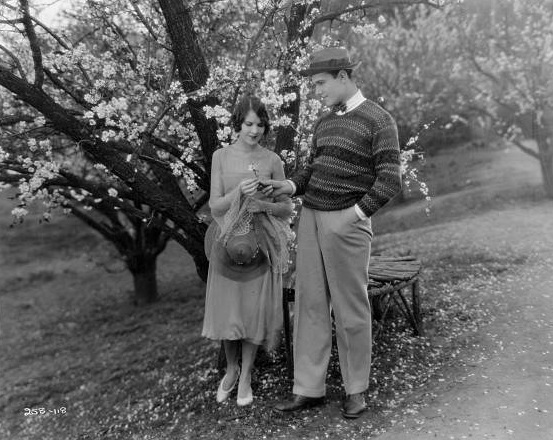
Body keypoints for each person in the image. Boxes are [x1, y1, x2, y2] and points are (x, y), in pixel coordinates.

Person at [265, 47, 402, 418]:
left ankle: (356, 389)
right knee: (310, 304)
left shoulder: (378, 119)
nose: (318, 91)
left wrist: (354, 215)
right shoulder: (324, 123)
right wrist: (290, 187)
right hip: (311, 217)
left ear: (344, 77)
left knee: (350, 308)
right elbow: (314, 169)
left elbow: (390, 179)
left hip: (348, 222)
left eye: (322, 83)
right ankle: (309, 388)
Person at [202, 95, 293, 406]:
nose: (254, 130)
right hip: (228, 244)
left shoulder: (272, 160)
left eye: (260, 125)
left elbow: (286, 208)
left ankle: (246, 376)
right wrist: (238, 192)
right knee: (230, 312)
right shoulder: (221, 157)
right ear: (237, 125)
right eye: (248, 124)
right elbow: (214, 205)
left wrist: (265, 200)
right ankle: (230, 368)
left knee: (253, 314)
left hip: (262, 245)